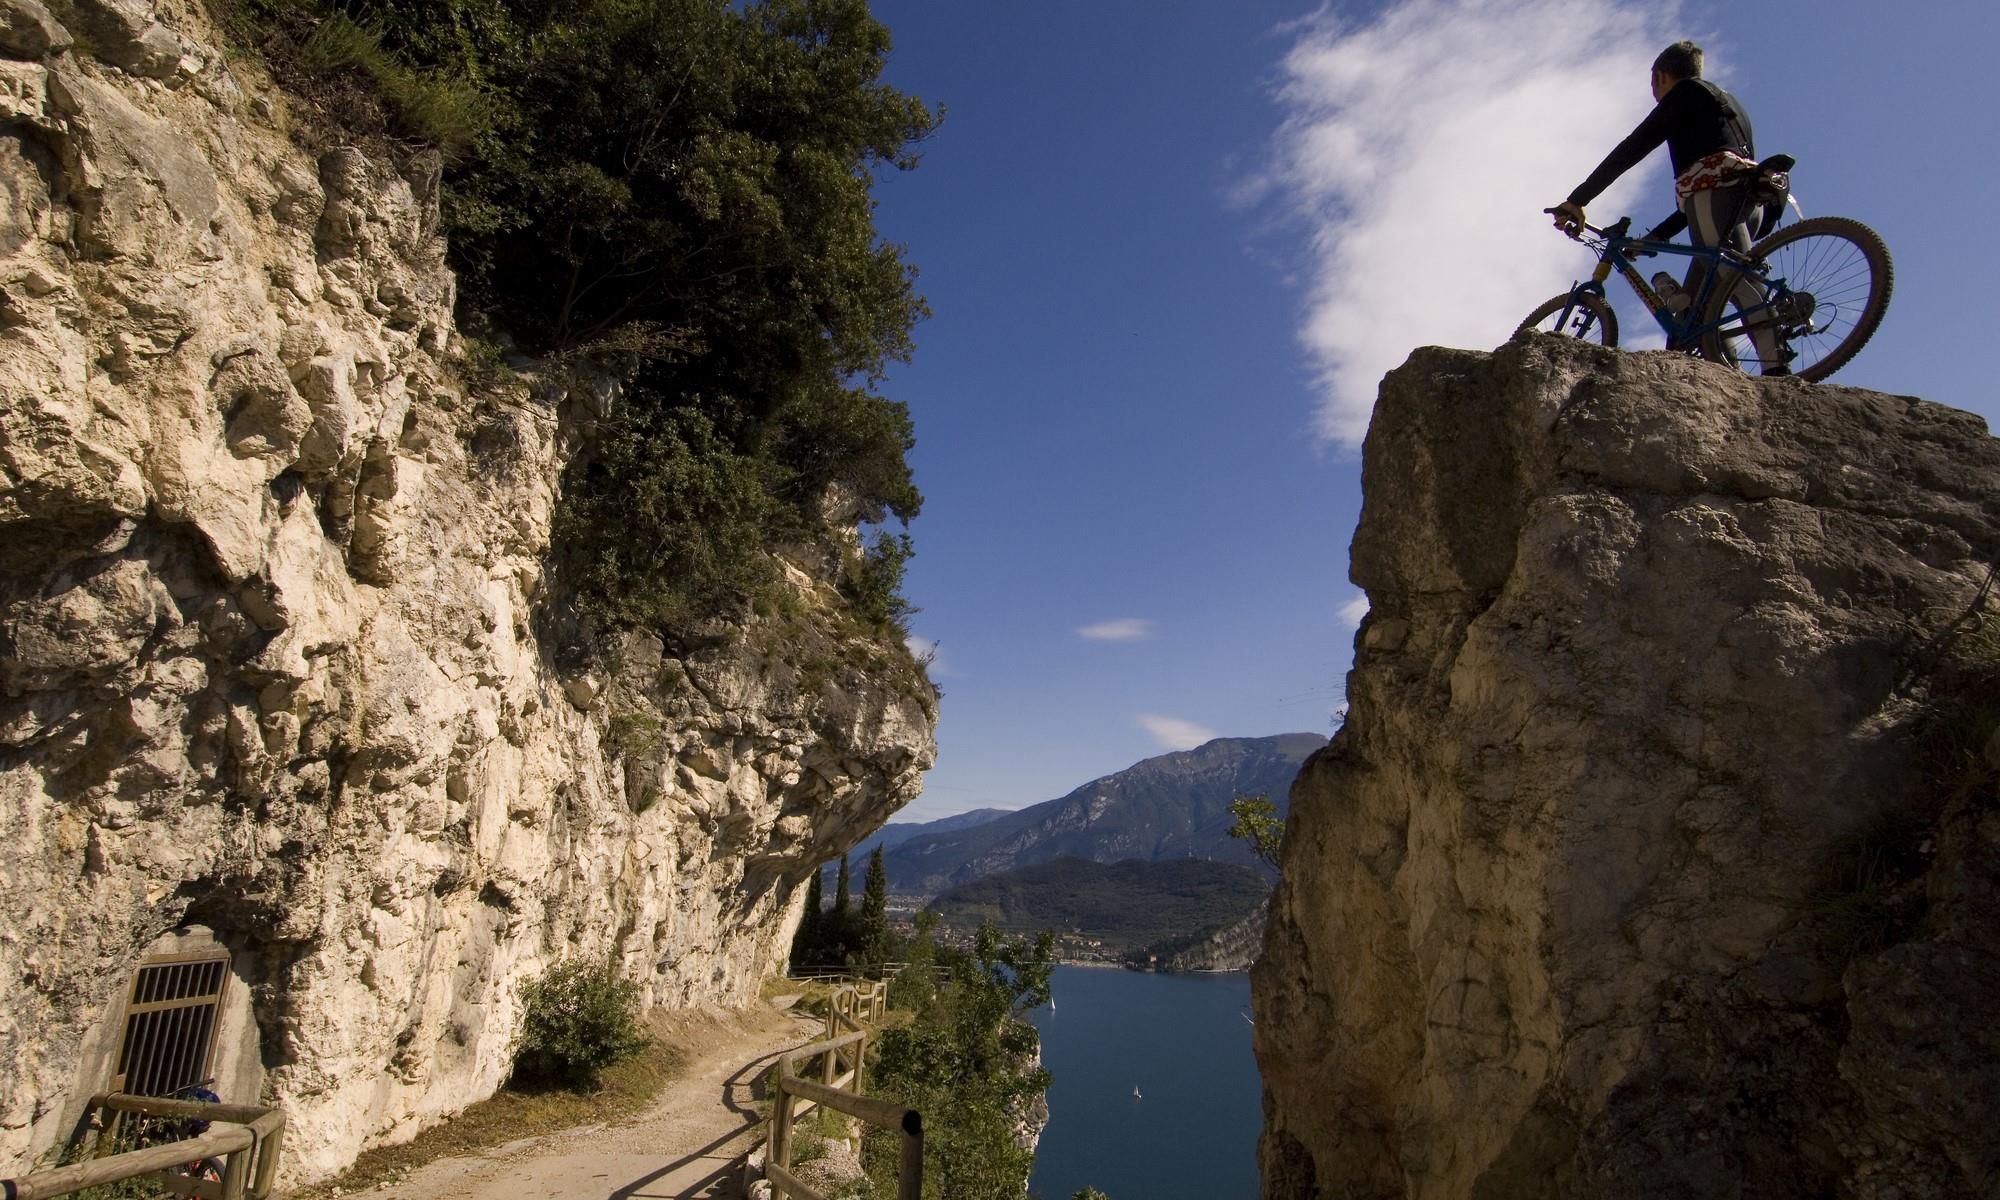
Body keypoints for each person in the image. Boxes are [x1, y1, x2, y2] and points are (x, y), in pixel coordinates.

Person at [1548, 41, 1791, 375]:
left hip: (1715, 196)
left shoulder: (1684, 94)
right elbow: (1696, 204)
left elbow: (1633, 147)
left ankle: (1776, 368)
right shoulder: (1728, 103)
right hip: (1749, 202)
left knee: (1733, 279)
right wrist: (1655, 236)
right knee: (1696, 311)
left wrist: (1578, 199)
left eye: (1652, 83)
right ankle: (1728, 372)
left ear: (1659, 76)